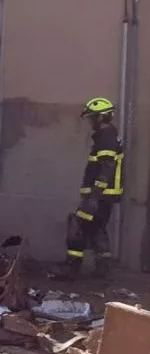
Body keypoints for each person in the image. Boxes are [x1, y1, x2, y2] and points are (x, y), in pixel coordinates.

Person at [63, 97, 124, 279]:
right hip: (104, 196)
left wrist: (94, 196)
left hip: (99, 196)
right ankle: (102, 269)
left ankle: (72, 267)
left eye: (92, 118)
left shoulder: (106, 138)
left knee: (76, 224)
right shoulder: (107, 136)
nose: (90, 122)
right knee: (97, 228)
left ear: (101, 117)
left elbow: (107, 168)